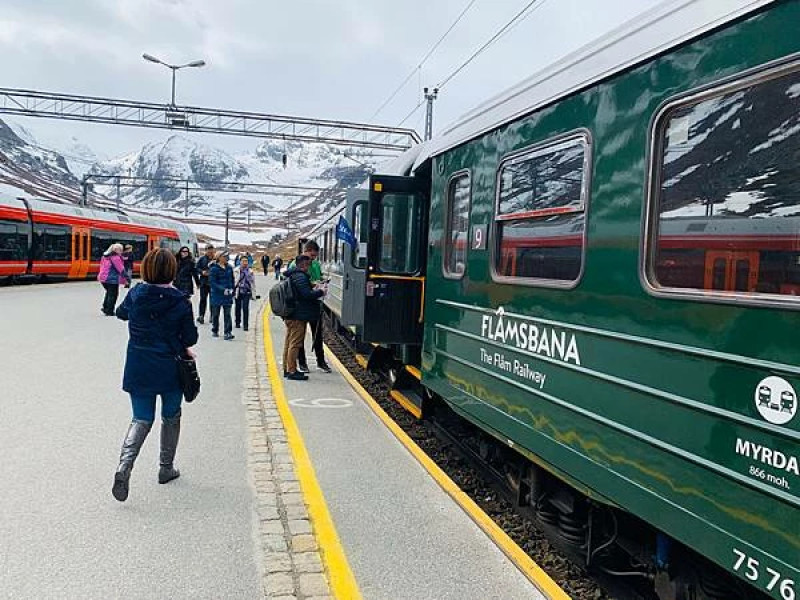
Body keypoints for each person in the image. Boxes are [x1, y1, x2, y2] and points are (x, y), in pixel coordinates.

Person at [112, 248, 198, 502]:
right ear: (172, 270)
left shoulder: (137, 293)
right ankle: (165, 468)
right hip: (170, 368)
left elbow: (120, 313)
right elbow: (190, 337)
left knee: (141, 418)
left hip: (139, 365)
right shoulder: (181, 301)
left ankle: (124, 466)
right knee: (171, 415)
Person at [290, 240, 331, 373]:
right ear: (305, 251)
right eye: (312, 256)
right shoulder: (294, 265)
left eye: (315, 257)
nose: (313, 259)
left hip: (315, 303)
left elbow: (317, 277)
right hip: (302, 305)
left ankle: (321, 361)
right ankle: (302, 362)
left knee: (318, 334)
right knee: (300, 335)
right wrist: (314, 286)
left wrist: (321, 282)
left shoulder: (316, 265)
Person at [283, 255, 325, 381]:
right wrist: (321, 292)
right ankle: (292, 371)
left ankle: (287, 368)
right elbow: (306, 295)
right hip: (297, 315)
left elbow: (302, 290)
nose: (309, 267)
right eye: (308, 264)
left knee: (289, 342)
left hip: (292, 314)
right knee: (295, 343)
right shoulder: (300, 276)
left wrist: (311, 286)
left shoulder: (293, 275)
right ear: (303, 265)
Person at [209, 251, 235, 340]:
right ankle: (215, 330)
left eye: (227, 256)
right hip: (217, 295)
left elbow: (232, 279)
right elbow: (212, 283)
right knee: (216, 314)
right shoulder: (214, 269)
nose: (226, 258)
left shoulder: (229, 268)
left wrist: (232, 289)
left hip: (228, 295)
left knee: (227, 314)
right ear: (219, 257)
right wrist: (222, 289)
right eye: (224, 256)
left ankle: (228, 332)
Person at [97, 243, 127, 316]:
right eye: (120, 250)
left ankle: (105, 307)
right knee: (113, 294)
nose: (121, 251)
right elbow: (121, 269)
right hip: (111, 278)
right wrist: (126, 278)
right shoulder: (115, 257)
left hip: (103, 278)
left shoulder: (105, 256)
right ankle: (109, 310)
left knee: (109, 293)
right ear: (116, 250)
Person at [234, 256, 256, 331]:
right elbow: (234, 280)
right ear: (240, 262)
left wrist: (254, 294)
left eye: (246, 261)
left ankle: (246, 325)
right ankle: (237, 322)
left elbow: (253, 283)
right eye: (243, 261)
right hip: (238, 291)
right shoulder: (236, 270)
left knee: (245, 308)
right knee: (237, 308)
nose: (245, 263)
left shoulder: (250, 271)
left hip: (247, 291)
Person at [195, 244, 215, 324]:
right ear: (205, 250)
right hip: (204, 282)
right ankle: (201, 316)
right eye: (208, 249)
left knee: (212, 300)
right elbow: (196, 268)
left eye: (211, 249)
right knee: (203, 299)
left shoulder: (216, 259)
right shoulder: (202, 259)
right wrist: (202, 272)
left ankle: (212, 316)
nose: (209, 251)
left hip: (213, 283)